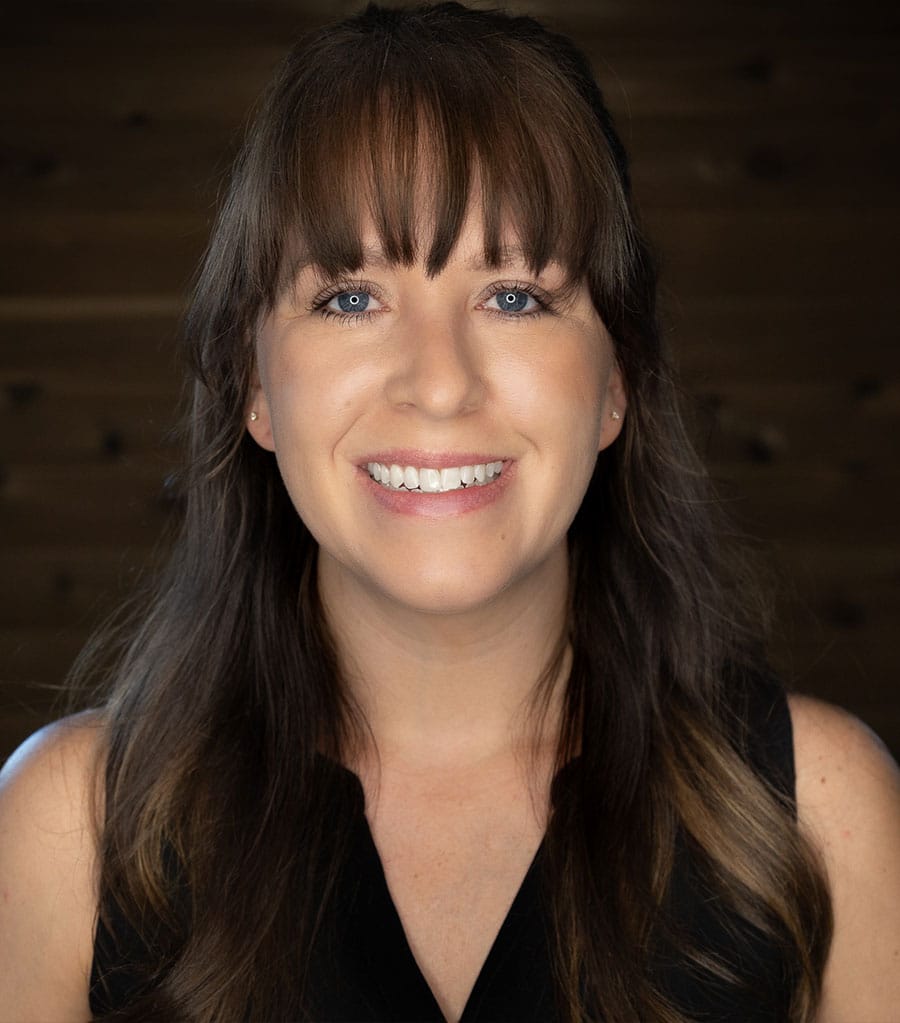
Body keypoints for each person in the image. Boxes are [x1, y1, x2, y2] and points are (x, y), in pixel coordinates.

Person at [1, 3, 899, 1021]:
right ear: (252, 382)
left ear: (618, 381)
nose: (438, 384)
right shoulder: (64, 834)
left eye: (514, 295)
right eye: (350, 297)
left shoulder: (825, 817)